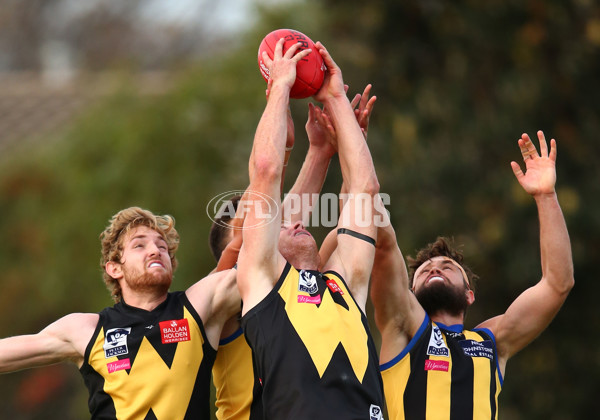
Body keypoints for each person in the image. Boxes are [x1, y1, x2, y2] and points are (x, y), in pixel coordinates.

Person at [370, 131, 574, 419]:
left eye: (447, 268)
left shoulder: (492, 342)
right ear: (411, 294)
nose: (435, 269)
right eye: (425, 271)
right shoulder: (402, 328)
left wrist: (546, 196)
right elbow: (384, 247)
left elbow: (558, 284)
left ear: (469, 295)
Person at [236, 37, 385, 420]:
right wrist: (281, 87)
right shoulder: (262, 281)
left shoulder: (346, 284)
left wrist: (335, 95)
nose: (298, 217)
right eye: (285, 221)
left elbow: (366, 190)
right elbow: (266, 172)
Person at [0, 206, 239, 419]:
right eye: (139, 245)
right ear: (114, 268)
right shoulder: (87, 330)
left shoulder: (197, 306)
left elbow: (259, 259)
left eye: (162, 246)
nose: (155, 251)